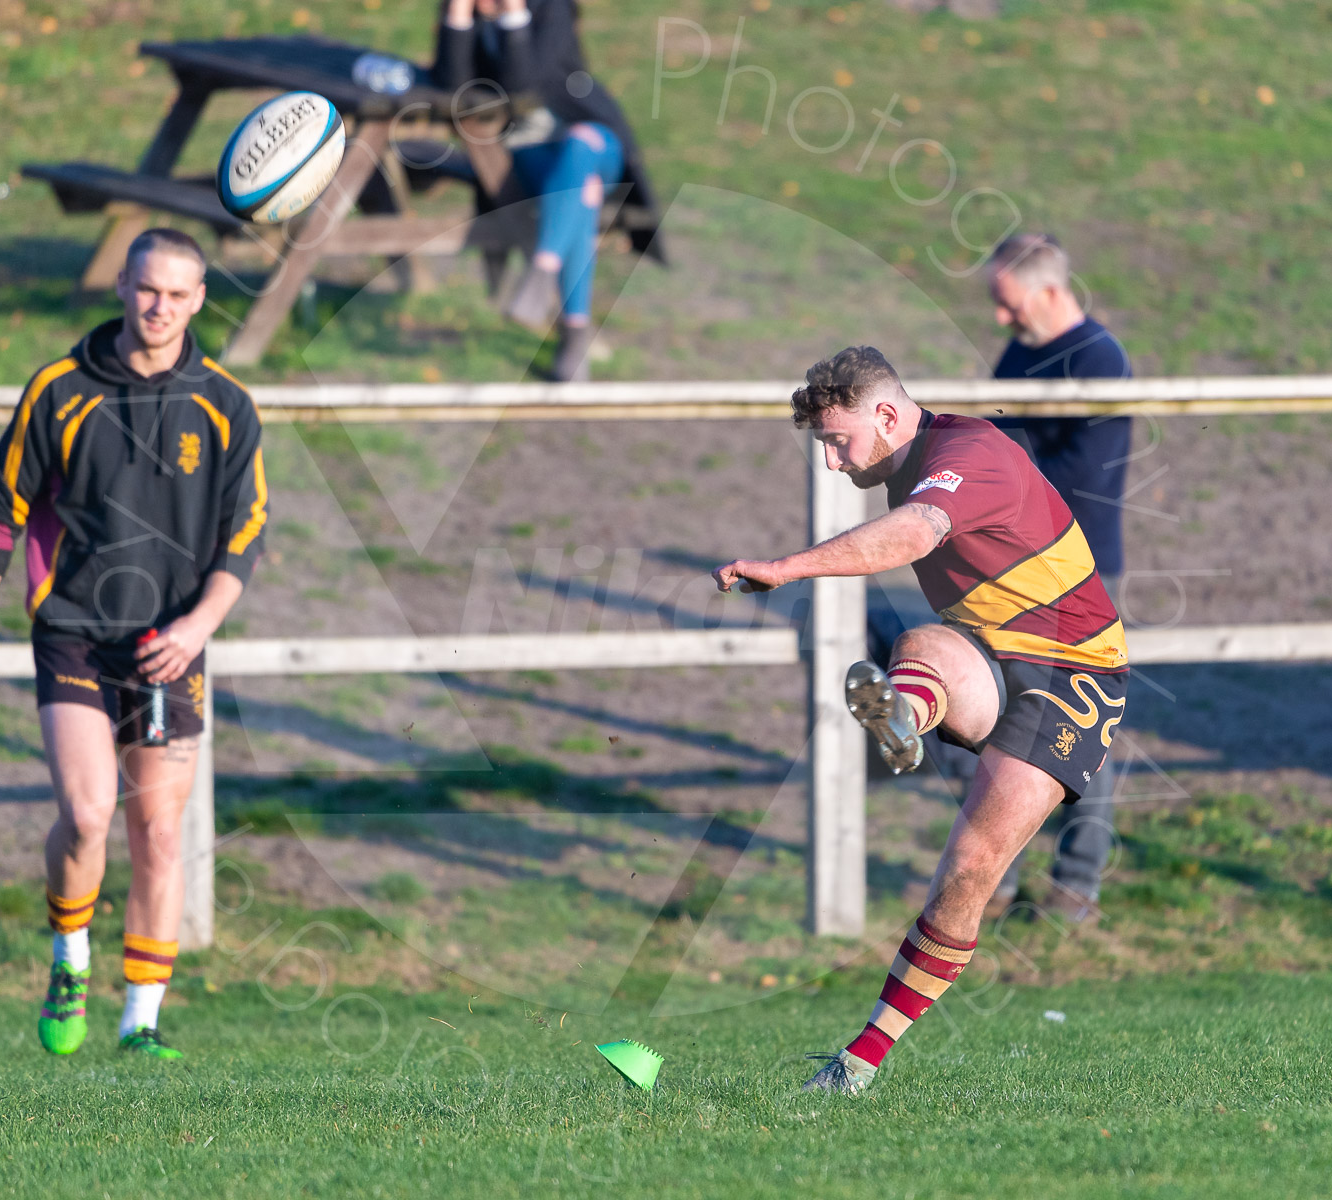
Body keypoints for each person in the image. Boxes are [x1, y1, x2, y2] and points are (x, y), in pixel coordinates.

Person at [711, 346, 1127, 1094]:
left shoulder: (966, 452)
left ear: (888, 414)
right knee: (920, 644)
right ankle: (905, 715)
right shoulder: (914, 460)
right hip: (994, 660)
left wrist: (787, 566)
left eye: (838, 442)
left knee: (969, 872)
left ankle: (858, 1063)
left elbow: (915, 533)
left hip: (1074, 677)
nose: (834, 464)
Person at [0, 228, 268, 1059]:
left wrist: (200, 626)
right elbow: (0, 506)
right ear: (122, 287)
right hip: (74, 637)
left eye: (178, 293)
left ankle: (142, 1024)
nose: (160, 307)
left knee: (160, 833)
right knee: (89, 815)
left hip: (172, 644)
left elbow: (246, 534)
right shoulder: (60, 390)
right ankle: (68, 958)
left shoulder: (227, 405)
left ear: (200, 298)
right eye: (146, 289)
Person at [985, 232, 1133, 922]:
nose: (1001, 319)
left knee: (1083, 724)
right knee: (999, 725)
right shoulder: (1021, 352)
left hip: (1082, 573)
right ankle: (996, 876)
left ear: (1048, 291)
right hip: (1012, 569)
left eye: (1008, 303)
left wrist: (999, 484)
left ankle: (1076, 886)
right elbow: (997, 437)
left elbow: (1082, 477)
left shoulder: (1100, 361)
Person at [432, 0, 665, 381]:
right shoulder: (467, 13)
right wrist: (458, 16)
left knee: (581, 148)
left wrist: (514, 15)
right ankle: (575, 334)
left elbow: (529, 85)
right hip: (529, 152)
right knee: (582, 194)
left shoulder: (551, 7)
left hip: (589, 136)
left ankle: (542, 271)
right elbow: (451, 88)